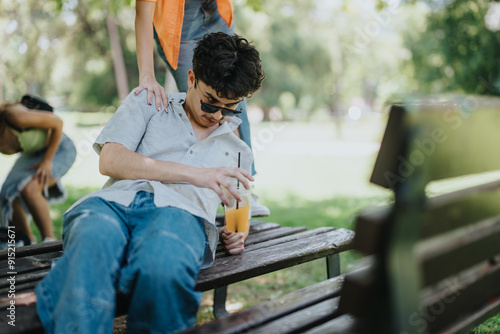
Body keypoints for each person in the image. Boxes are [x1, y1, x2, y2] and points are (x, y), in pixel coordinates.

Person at [33, 32, 265, 333]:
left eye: (231, 107)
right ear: (191, 78)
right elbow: (110, 160)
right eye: (210, 103)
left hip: (180, 218)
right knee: (91, 244)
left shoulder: (238, 151)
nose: (218, 116)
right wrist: (195, 174)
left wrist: (239, 232)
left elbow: (239, 204)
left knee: (162, 266)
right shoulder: (150, 101)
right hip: (113, 205)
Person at [135, 0, 270, 217]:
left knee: (232, 99)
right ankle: (217, 188)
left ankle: (241, 189)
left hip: (217, 15)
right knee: (206, 103)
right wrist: (147, 74)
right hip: (181, 30)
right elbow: (143, 11)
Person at [0, 100, 76, 247]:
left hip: (59, 148)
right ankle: (27, 244)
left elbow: (57, 123)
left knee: (30, 189)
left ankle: (50, 243)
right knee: (6, 195)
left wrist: (47, 161)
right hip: (32, 153)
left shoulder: (14, 117)